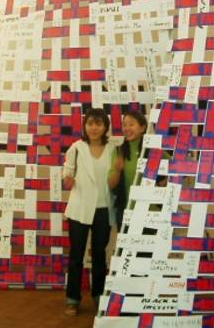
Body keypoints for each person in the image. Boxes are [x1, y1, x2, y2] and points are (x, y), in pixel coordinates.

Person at [63, 108, 117, 316]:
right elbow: (68, 171)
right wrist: (67, 179)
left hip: (103, 209)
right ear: (85, 126)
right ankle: (72, 298)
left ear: (105, 127)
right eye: (90, 123)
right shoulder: (77, 147)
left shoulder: (113, 148)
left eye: (99, 124)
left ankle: (98, 295)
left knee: (99, 256)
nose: (94, 128)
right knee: (76, 256)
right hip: (79, 208)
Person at [108, 110, 147, 231]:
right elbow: (111, 184)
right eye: (124, 125)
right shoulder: (119, 151)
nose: (127, 128)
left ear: (142, 128)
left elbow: (175, 167)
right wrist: (117, 170)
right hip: (126, 210)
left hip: (151, 212)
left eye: (131, 124)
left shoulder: (152, 149)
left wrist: (164, 180)